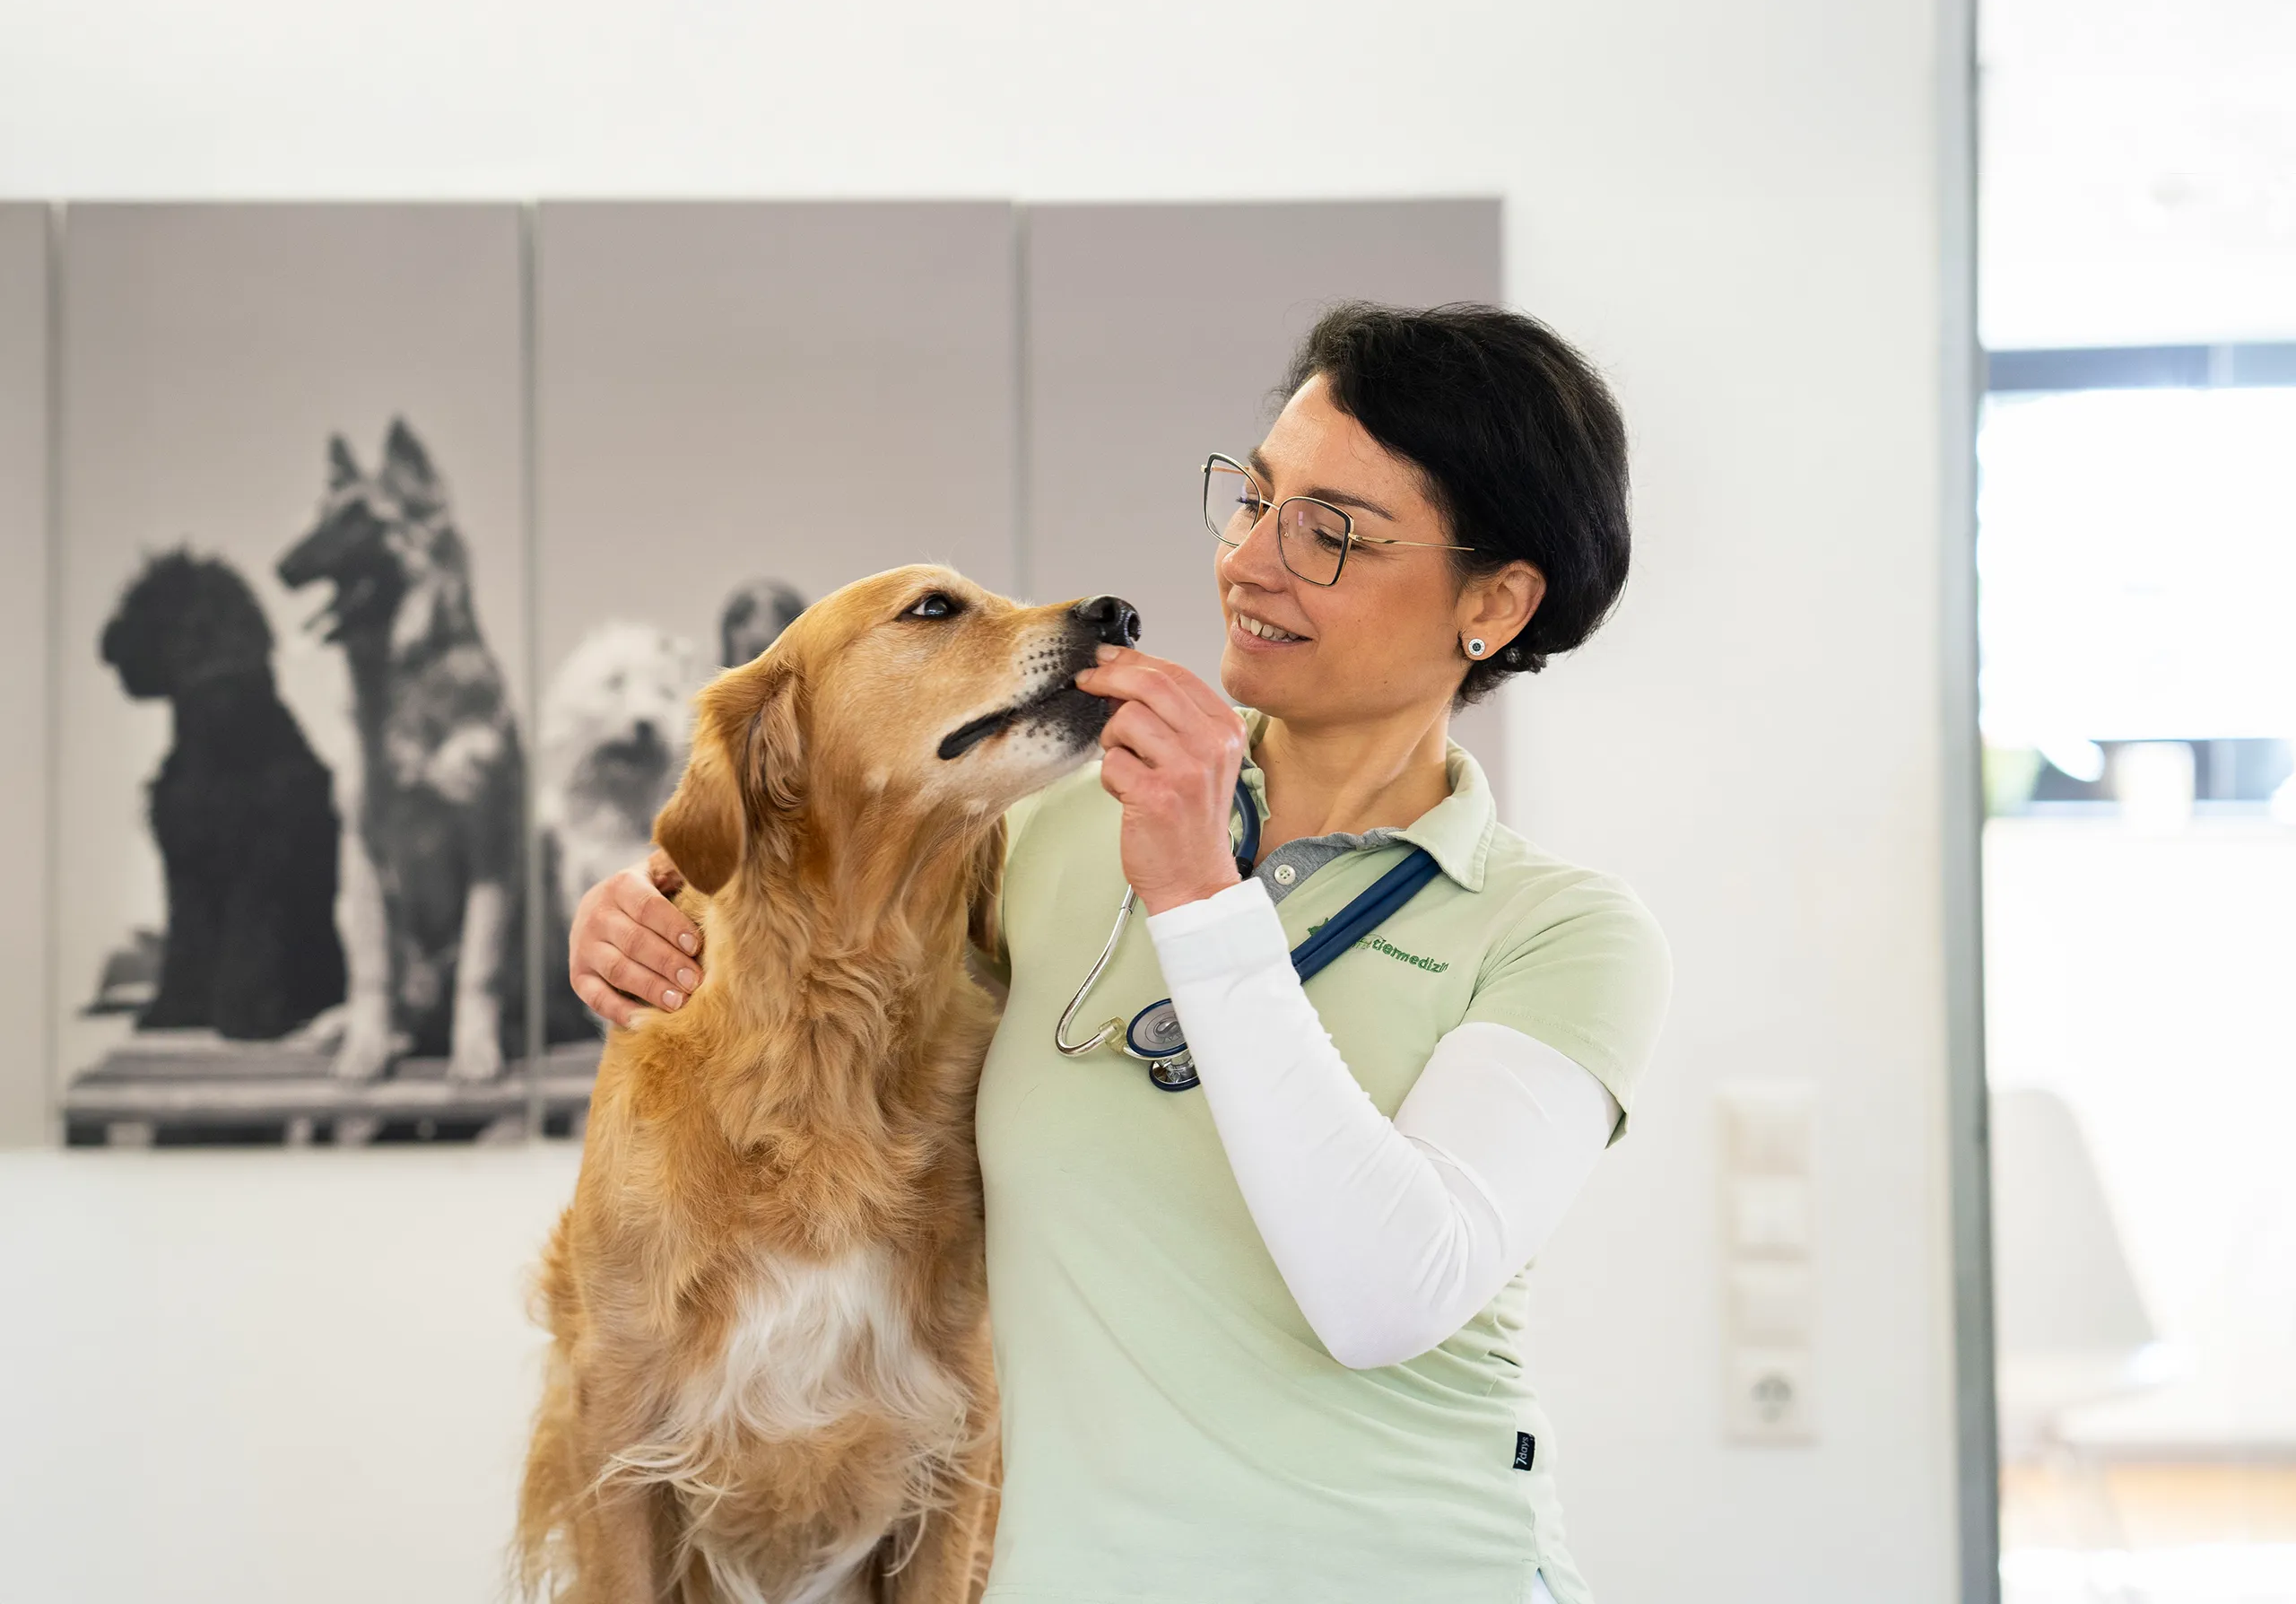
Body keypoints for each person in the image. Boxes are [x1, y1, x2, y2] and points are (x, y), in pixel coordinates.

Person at [570, 301, 1672, 1604]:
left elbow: (1390, 1292)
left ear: (1493, 602)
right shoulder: (1040, 826)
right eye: (1255, 499)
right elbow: (823, 917)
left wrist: (1204, 897)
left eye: (1333, 533)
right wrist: (642, 909)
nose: (1252, 562)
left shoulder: (1562, 934)